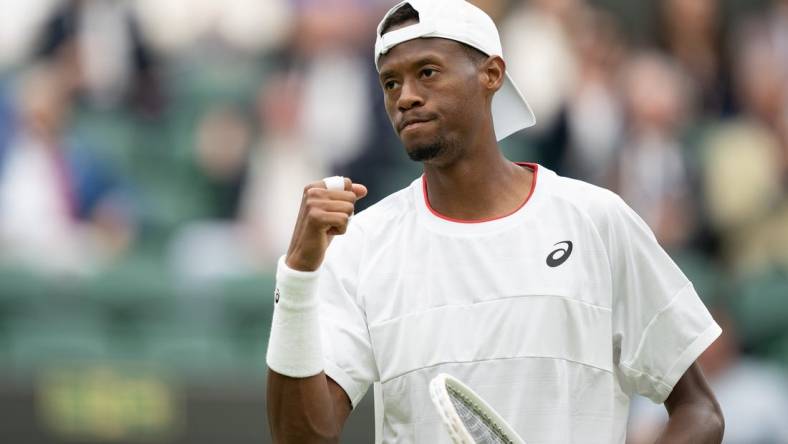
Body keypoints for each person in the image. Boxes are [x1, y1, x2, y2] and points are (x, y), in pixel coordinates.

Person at [265, 1, 724, 442]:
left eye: (427, 72)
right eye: (390, 84)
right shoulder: (363, 246)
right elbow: (303, 437)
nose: (405, 97)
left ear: (491, 74)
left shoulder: (598, 221)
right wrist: (299, 276)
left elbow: (698, 411)